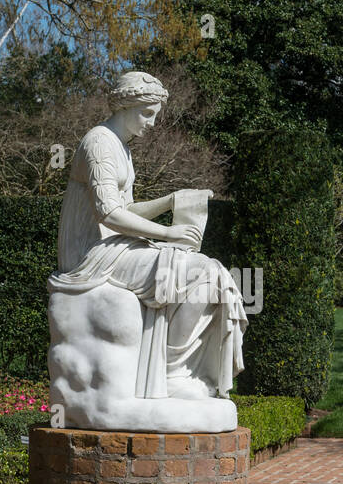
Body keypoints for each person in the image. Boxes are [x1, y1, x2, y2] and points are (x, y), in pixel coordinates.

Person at [48, 72, 246, 402]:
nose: (152, 124)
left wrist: (172, 201)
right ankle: (172, 372)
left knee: (208, 270)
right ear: (128, 105)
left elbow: (126, 209)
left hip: (112, 247)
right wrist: (169, 233)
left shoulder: (121, 149)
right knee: (202, 272)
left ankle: (179, 369)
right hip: (89, 256)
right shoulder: (98, 143)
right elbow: (109, 213)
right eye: (148, 113)